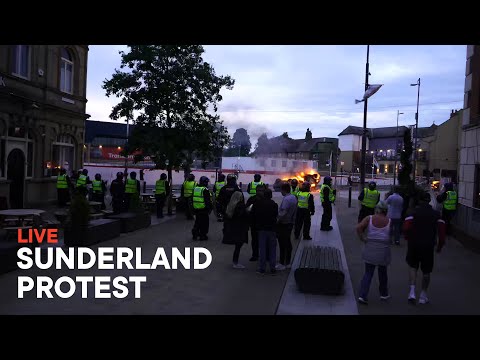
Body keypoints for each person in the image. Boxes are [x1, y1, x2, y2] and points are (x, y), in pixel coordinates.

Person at [403, 192, 446, 304]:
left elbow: (406, 228)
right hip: (428, 246)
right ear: (429, 201)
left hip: (414, 244)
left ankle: (412, 292)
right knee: (426, 271)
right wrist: (440, 246)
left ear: (419, 200)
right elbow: (442, 233)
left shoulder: (413, 213)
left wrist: (408, 239)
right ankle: (423, 295)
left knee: (413, 266)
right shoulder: (436, 214)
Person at [356, 201, 392, 305]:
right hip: (383, 250)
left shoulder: (369, 218)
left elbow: (358, 228)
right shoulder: (389, 221)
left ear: (377, 209)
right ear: (385, 211)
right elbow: (391, 235)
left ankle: (363, 295)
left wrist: (363, 238)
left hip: (370, 247)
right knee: (383, 273)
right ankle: (384, 294)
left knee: (368, 273)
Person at [251, 188, 278, 275]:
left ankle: (262, 268)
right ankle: (272, 268)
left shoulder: (259, 204)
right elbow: (276, 215)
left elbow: (254, 214)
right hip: (272, 229)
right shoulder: (274, 204)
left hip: (262, 229)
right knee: (272, 249)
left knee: (262, 249)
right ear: (271, 195)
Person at [222, 191, 249, 268]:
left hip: (233, 228)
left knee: (237, 246)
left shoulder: (230, 206)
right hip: (240, 228)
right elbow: (243, 216)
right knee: (238, 245)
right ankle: (235, 263)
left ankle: (235, 262)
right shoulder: (240, 206)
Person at [276, 182, 297, 270]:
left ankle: (282, 263)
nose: (280, 192)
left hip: (284, 224)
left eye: (281, 190)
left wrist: (277, 220)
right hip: (290, 223)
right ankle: (288, 262)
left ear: (283, 190)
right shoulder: (293, 197)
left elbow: (283, 212)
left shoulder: (286, 199)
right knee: (288, 243)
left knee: (282, 243)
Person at [246, 184, 266, 261]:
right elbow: (247, 209)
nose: (260, 192)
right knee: (255, 240)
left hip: (262, 224)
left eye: (261, 191)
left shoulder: (265, 199)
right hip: (255, 223)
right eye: (258, 191)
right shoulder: (252, 199)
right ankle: (255, 255)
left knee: (262, 241)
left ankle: (260, 255)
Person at [191, 176, 213, 241]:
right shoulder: (205, 190)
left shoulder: (195, 188)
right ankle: (202, 236)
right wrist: (209, 208)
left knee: (197, 222)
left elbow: (192, 199)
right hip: (204, 209)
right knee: (204, 223)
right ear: (205, 182)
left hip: (196, 209)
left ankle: (195, 234)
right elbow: (207, 201)